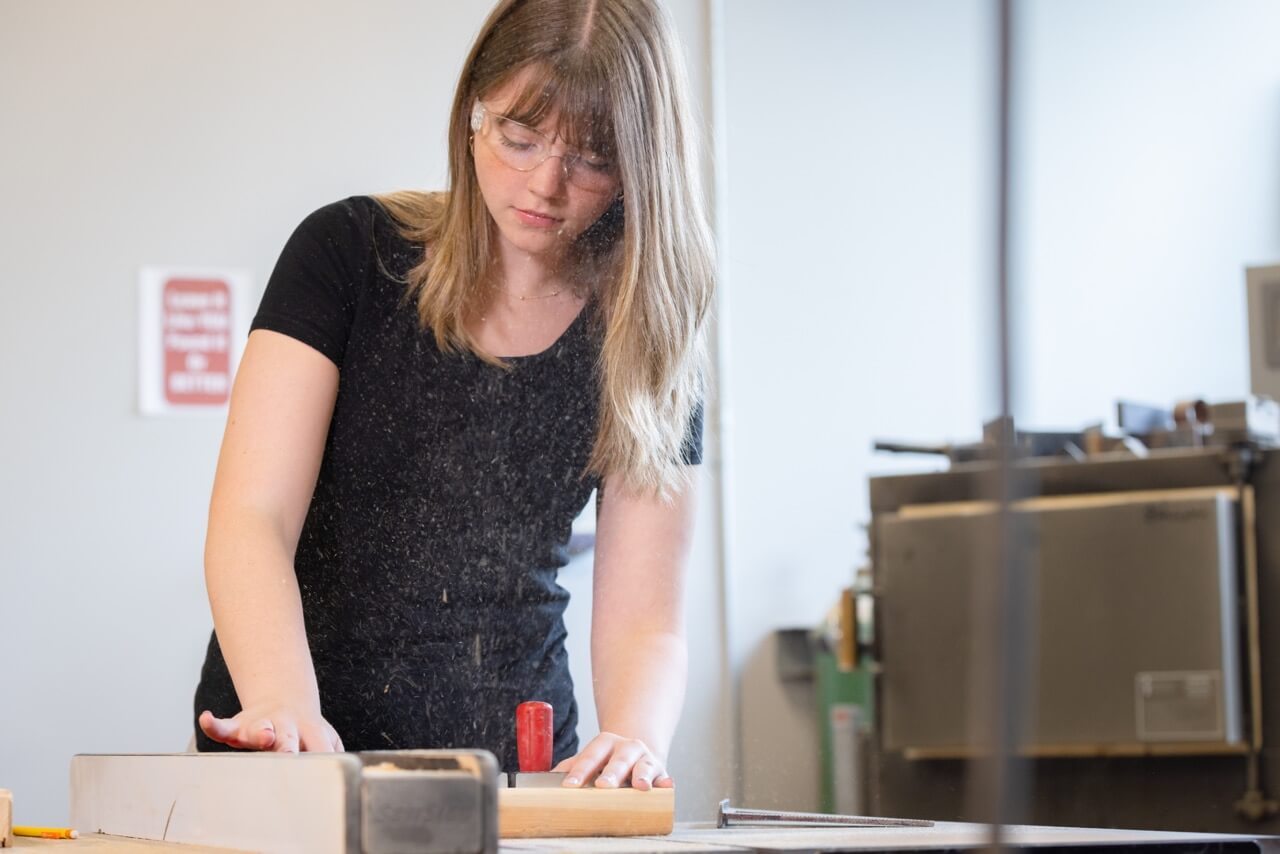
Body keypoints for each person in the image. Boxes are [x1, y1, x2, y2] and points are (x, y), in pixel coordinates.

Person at [192, 0, 713, 792]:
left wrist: (634, 739)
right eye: (519, 137)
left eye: (593, 158)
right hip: (288, 746)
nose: (546, 183)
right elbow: (251, 517)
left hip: (516, 773)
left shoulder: (647, 333)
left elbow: (648, 616)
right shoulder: (347, 255)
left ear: (644, 166)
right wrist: (281, 703)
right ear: (472, 113)